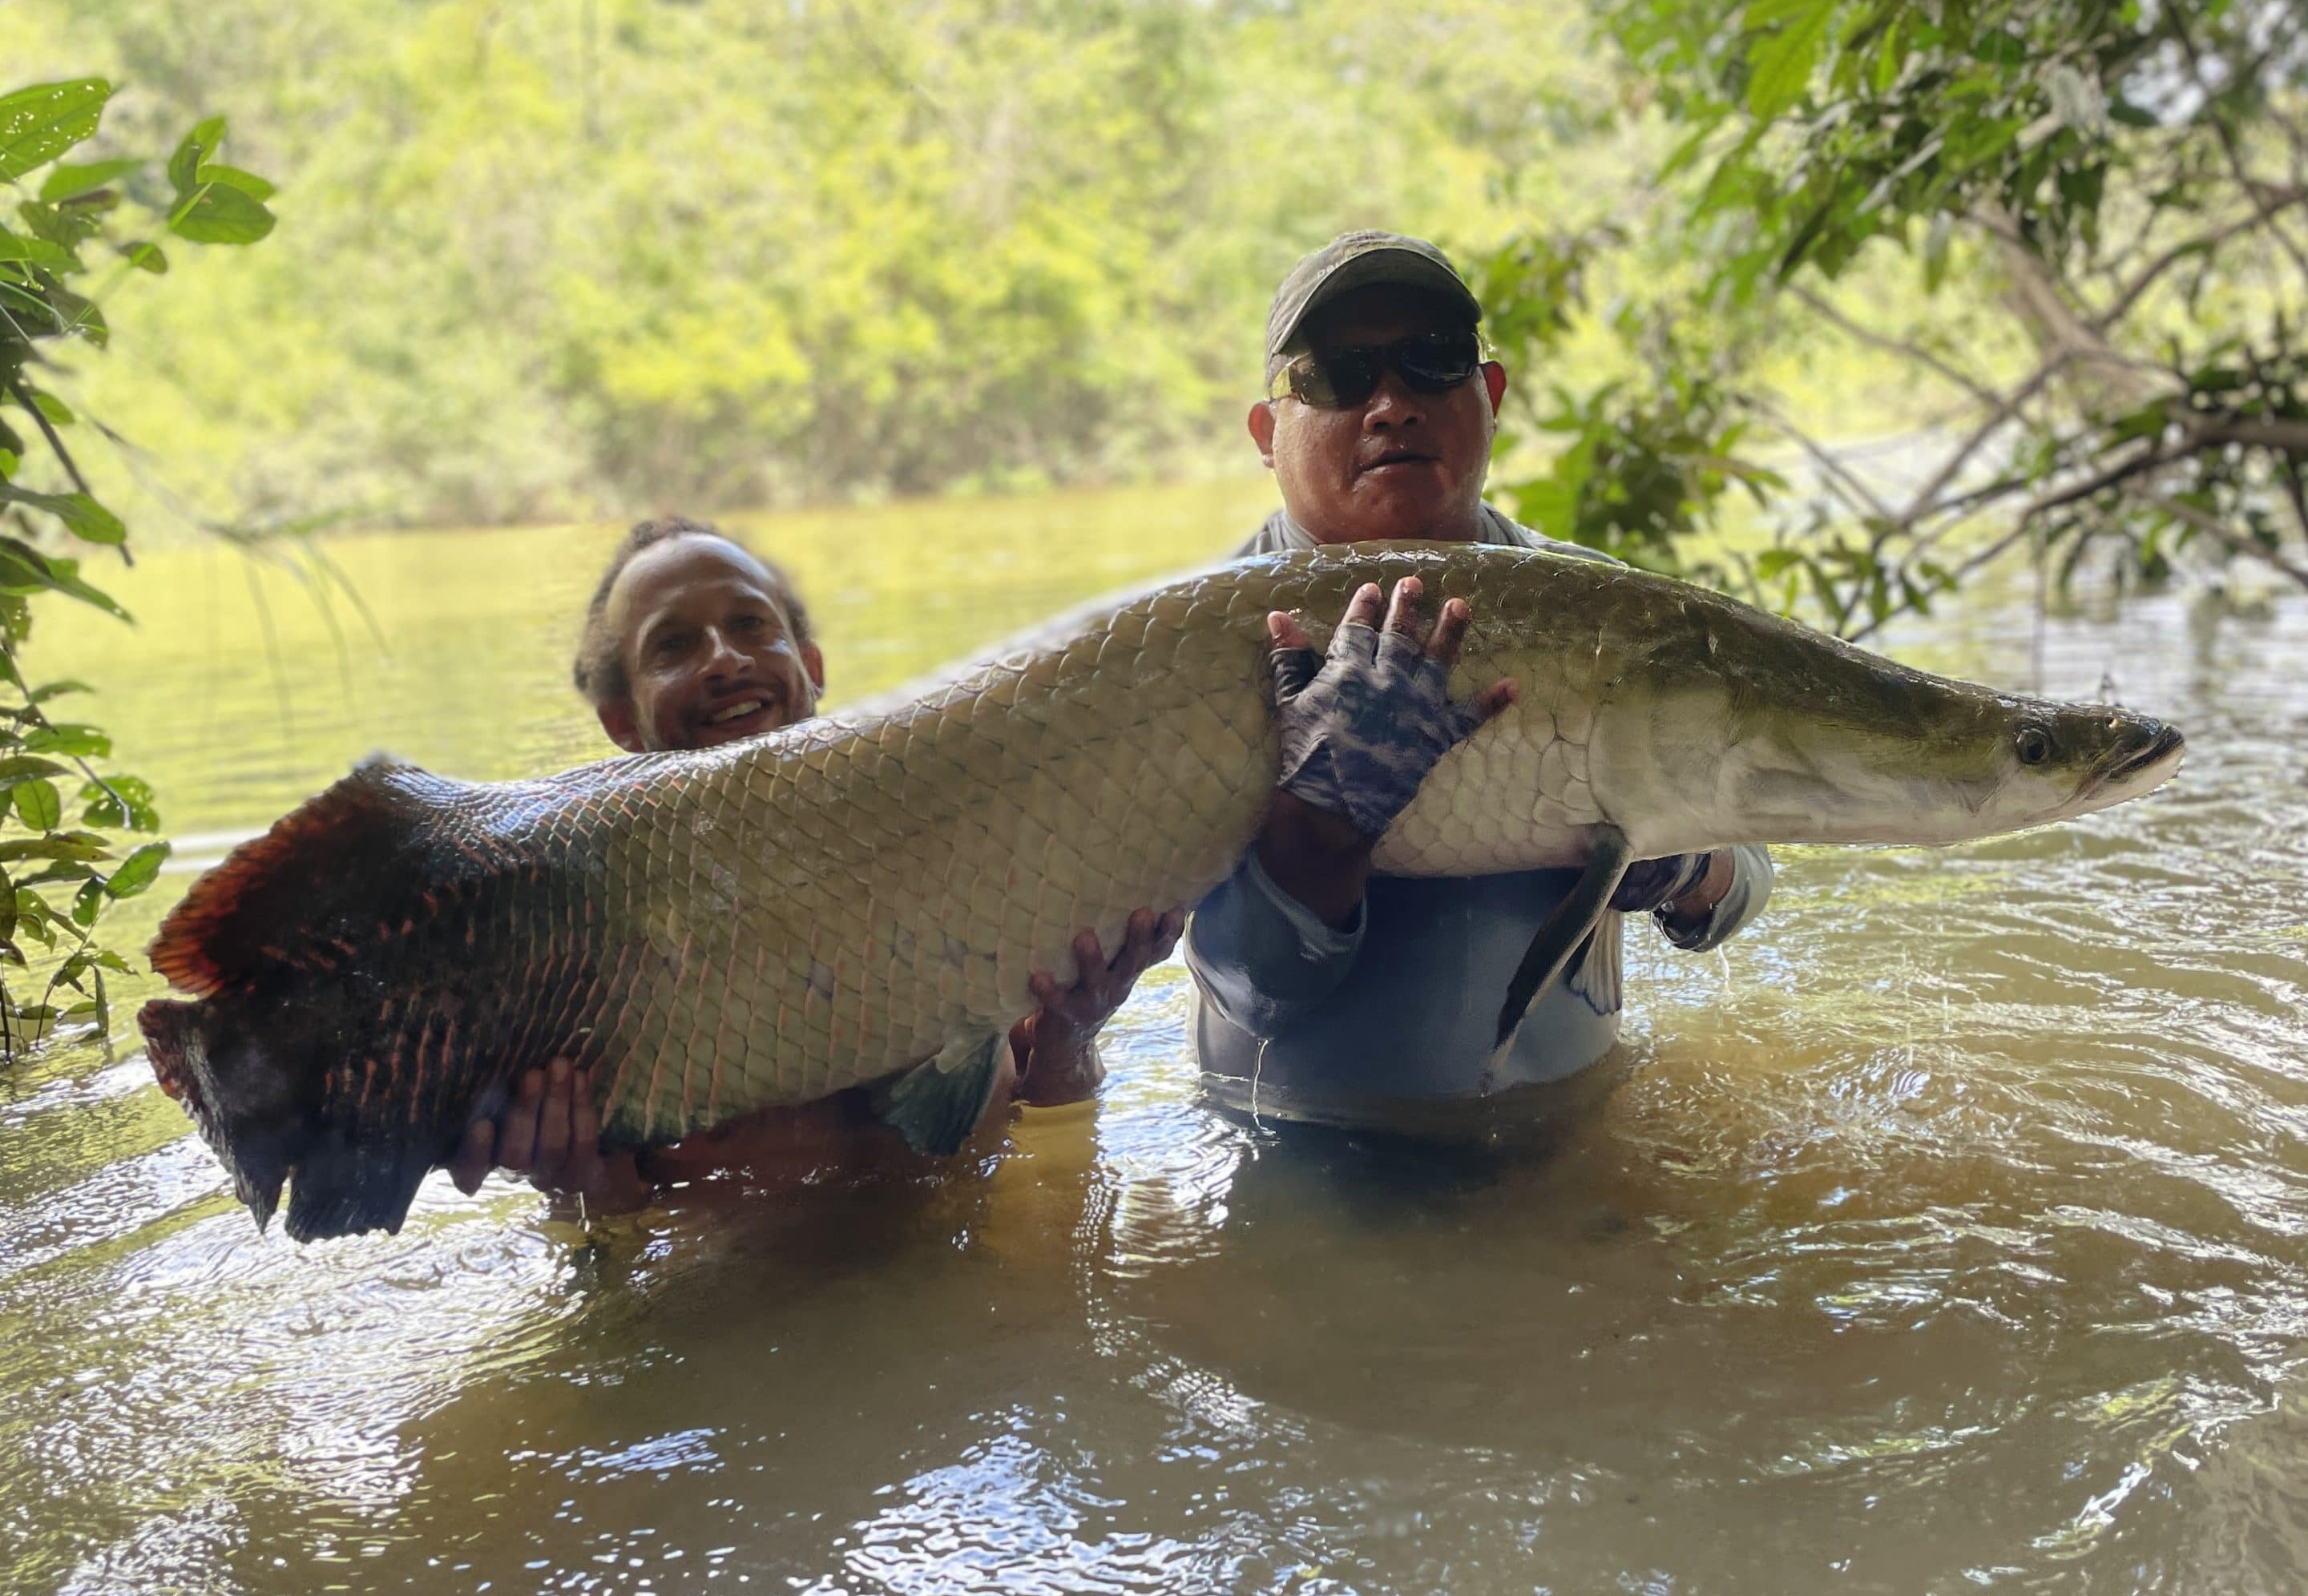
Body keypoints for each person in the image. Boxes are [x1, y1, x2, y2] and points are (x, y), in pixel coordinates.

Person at [1184, 230, 1773, 1122]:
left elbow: (1746, 884)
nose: (1392, 405)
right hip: (1294, 1159)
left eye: (1432, 362)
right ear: (1269, 433)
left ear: (1489, 394)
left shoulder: (1604, 608)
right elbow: (1250, 988)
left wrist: (1692, 863)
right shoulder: (1191, 647)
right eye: (1341, 374)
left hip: (1575, 1133)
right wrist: (1315, 828)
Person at [448, 518, 1182, 1211]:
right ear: (621, 720)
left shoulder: (953, 854)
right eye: (672, 646)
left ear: (811, 664)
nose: (724, 660)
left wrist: (1074, 1032)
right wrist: (571, 1182)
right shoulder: (598, 950)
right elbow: (621, 1244)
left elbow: (1046, 1123)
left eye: (749, 625)